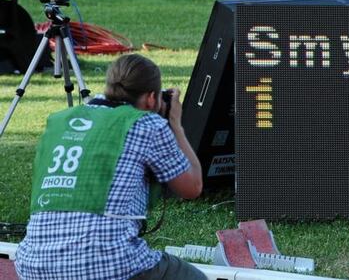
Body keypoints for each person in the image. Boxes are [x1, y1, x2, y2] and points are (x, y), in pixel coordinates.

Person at [15, 54, 206, 279]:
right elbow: (192, 187)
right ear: (152, 99)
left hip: (32, 265)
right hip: (106, 263)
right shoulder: (146, 124)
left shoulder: (59, 121)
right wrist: (176, 124)